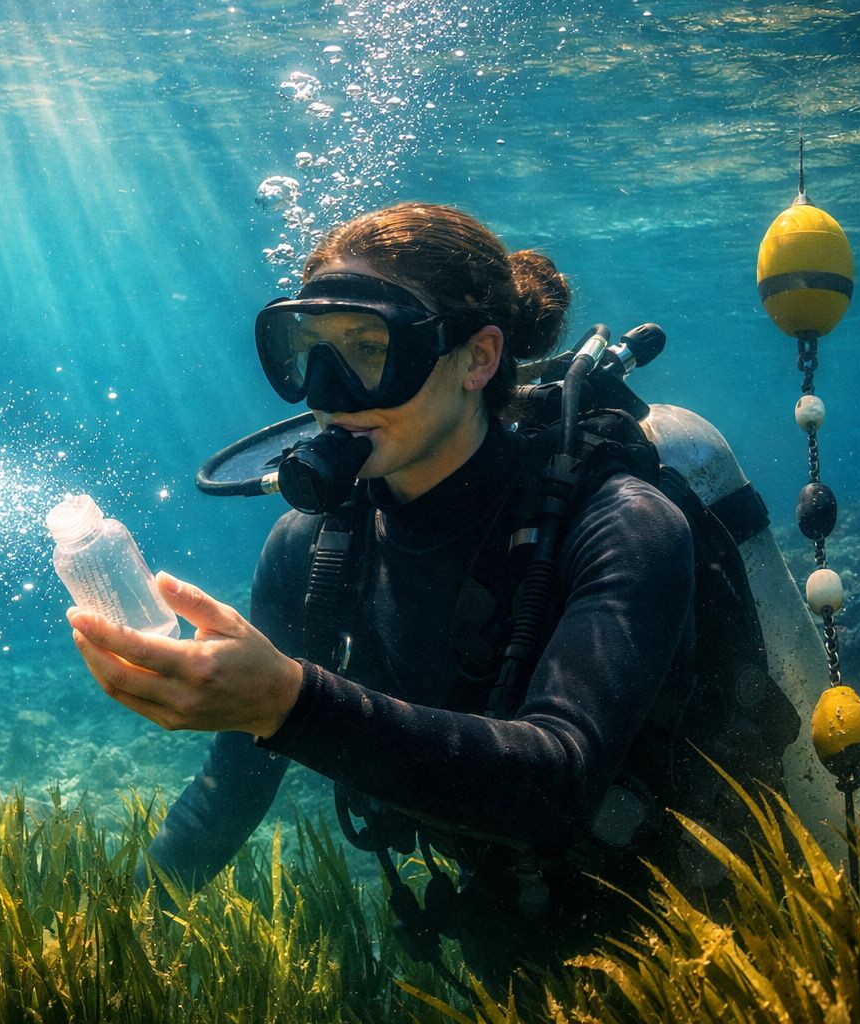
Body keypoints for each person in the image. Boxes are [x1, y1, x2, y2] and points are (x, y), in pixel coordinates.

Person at [67, 201, 756, 987]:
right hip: (514, 939)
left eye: (369, 349)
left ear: (477, 358)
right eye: (308, 353)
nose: (328, 395)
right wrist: (105, 943)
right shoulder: (313, 548)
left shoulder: (624, 525)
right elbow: (234, 785)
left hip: (705, 935)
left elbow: (558, 779)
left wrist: (290, 705)